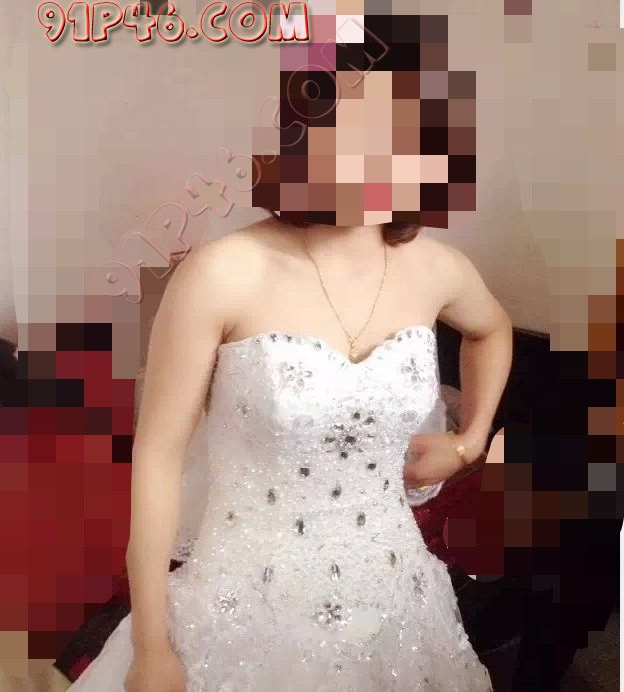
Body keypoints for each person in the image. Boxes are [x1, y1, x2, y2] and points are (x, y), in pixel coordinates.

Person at [67, 212, 511, 691]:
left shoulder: (438, 267)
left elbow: (491, 328)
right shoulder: (223, 271)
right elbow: (158, 455)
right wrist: (150, 645)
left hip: (395, 597)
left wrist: (469, 441)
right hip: (242, 604)